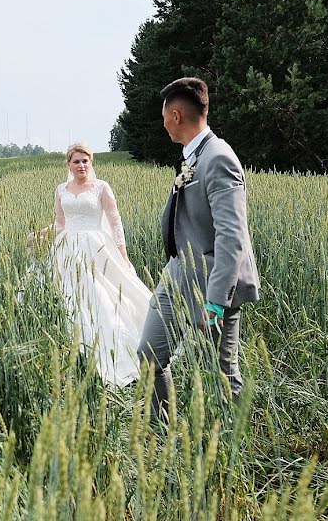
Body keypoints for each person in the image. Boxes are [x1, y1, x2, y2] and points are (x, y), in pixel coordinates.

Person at [137, 77, 260, 419]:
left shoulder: (219, 158)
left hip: (212, 285)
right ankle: (164, 430)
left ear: (175, 115)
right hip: (177, 274)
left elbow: (232, 236)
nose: (162, 123)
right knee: (149, 353)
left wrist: (216, 303)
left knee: (221, 374)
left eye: (164, 116)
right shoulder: (193, 156)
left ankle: (236, 448)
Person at [52, 143, 151, 387]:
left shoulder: (101, 187)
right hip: (67, 249)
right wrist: (48, 240)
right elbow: (60, 222)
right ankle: (72, 349)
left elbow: (115, 222)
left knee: (102, 298)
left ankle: (114, 350)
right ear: (69, 165)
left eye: (85, 161)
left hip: (96, 246)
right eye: (76, 161)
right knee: (70, 297)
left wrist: (123, 254)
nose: (81, 165)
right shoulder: (61, 189)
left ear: (91, 162)